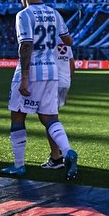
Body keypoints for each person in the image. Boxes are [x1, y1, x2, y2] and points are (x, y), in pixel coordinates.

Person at [2, 0, 79, 180]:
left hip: (32, 71)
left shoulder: (24, 14)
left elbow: (25, 45)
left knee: (18, 116)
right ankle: (68, 151)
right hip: (51, 72)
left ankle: (19, 165)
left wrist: (25, 77)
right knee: (50, 118)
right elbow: (69, 40)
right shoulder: (54, 13)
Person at [41, 36, 76, 170]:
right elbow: (72, 64)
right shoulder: (66, 40)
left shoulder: (48, 38)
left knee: (49, 117)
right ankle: (56, 154)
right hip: (64, 82)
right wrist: (67, 86)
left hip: (52, 80)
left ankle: (57, 156)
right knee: (52, 115)